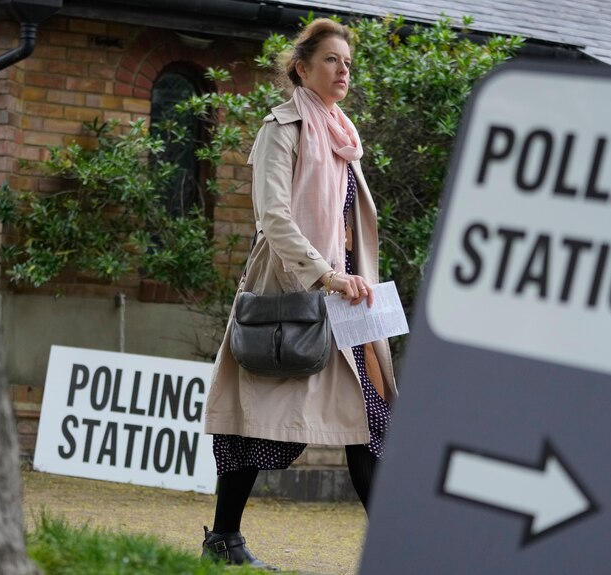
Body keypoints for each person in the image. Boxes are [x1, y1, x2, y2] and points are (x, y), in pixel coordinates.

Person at [201, 17, 398, 570]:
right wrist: (326, 274)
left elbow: (348, 220)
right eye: (332, 60)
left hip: (347, 298)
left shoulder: (343, 133)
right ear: (302, 67)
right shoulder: (280, 129)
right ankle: (223, 539)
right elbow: (275, 221)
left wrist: (354, 272)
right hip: (293, 294)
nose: (343, 71)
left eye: (349, 63)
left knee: (370, 420)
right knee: (257, 421)